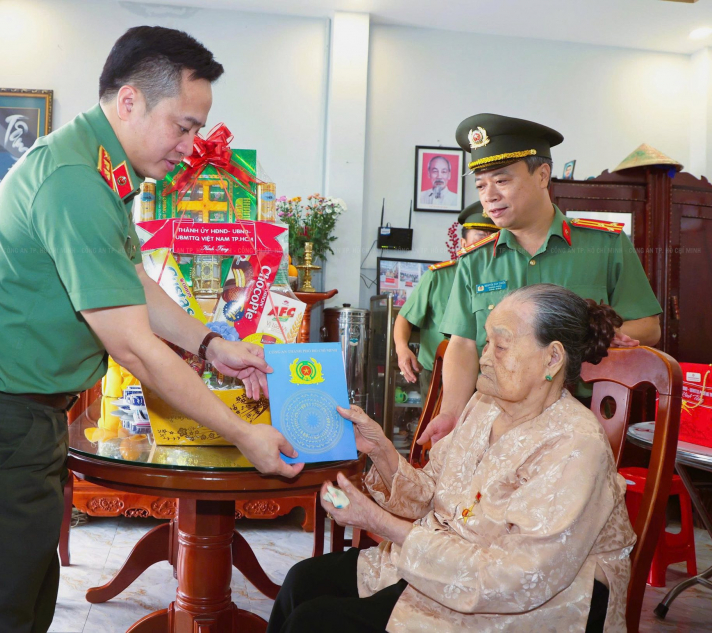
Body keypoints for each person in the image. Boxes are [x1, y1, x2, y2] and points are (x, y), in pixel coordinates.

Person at [0, 26, 303, 633]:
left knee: (26, 604)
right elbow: (132, 343)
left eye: (198, 130)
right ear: (129, 101)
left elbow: (133, 282)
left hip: (25, 416)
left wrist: (212, 344)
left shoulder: (97, 169)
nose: (191, 146)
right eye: (183, 126)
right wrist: (242, 434)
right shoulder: (76, 182)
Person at [268, 284, 635, 633]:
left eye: (501, 346)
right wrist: (379, 448)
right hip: (447, 559)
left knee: (315, 622)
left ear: (552, 357)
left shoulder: (575, 444)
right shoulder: (486, 405)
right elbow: (432, 492)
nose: (485, 358)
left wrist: (377, 520)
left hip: (526, 603)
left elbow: (515, 579)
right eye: (486, 342)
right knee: (303, 581)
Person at [418, 113, 662, 446]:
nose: (488, 196)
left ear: (543, 175)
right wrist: (449, 413)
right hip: (494, 429)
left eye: (502, 181)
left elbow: (649, 326)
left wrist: (605, 336)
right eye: (480, 185)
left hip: (582, 430)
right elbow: (461, 345)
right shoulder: (476, 261)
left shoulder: (604, 246)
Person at [394, 201, 498, 394]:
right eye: (481, 237)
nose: (486, 244)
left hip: (488, 376)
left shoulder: (504, 279)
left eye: (493, 238)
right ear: (463, 243)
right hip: (439, 374)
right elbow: (405, 317)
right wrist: (402, 349)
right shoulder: (438, 276)